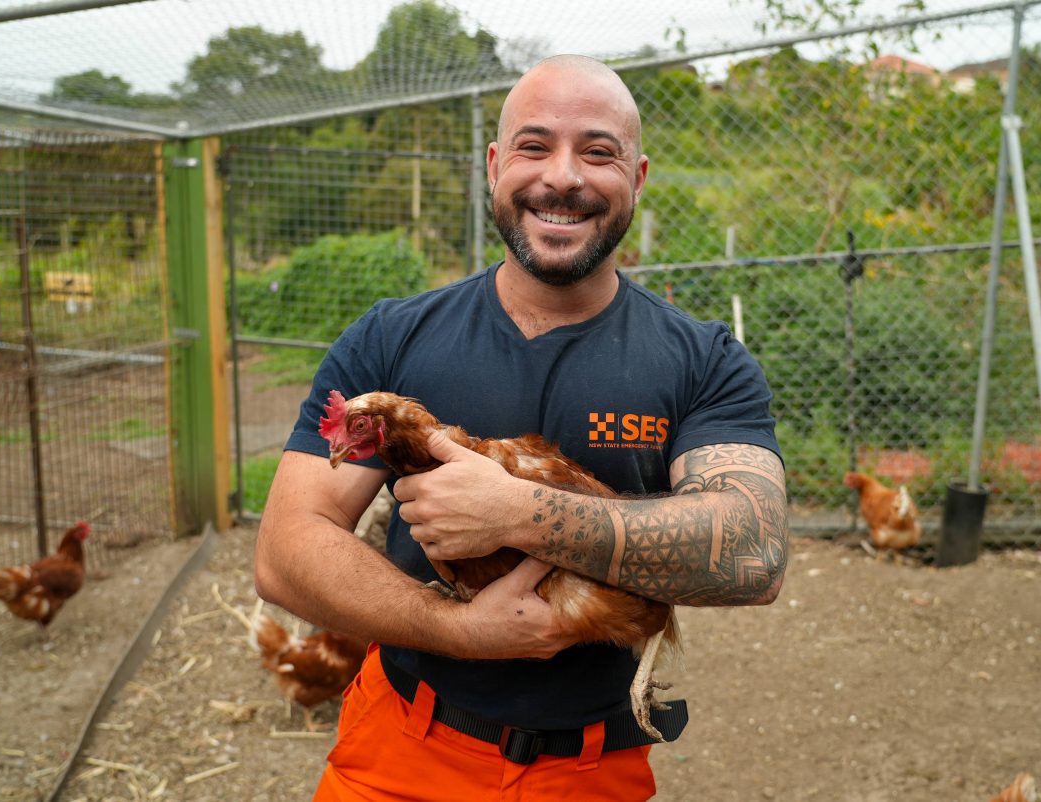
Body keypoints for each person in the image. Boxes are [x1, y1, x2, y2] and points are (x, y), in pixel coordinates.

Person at [254, 53, 789, 802]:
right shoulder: (392, 339)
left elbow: (755, 550)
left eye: (598, 151)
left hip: (589, 767)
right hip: (401, 741)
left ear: (636, 178)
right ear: (496, 166)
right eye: (535, 147)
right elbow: (284, 551)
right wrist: (458, 630)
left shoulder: (703, 362)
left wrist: (522, 515)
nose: (563, 176)